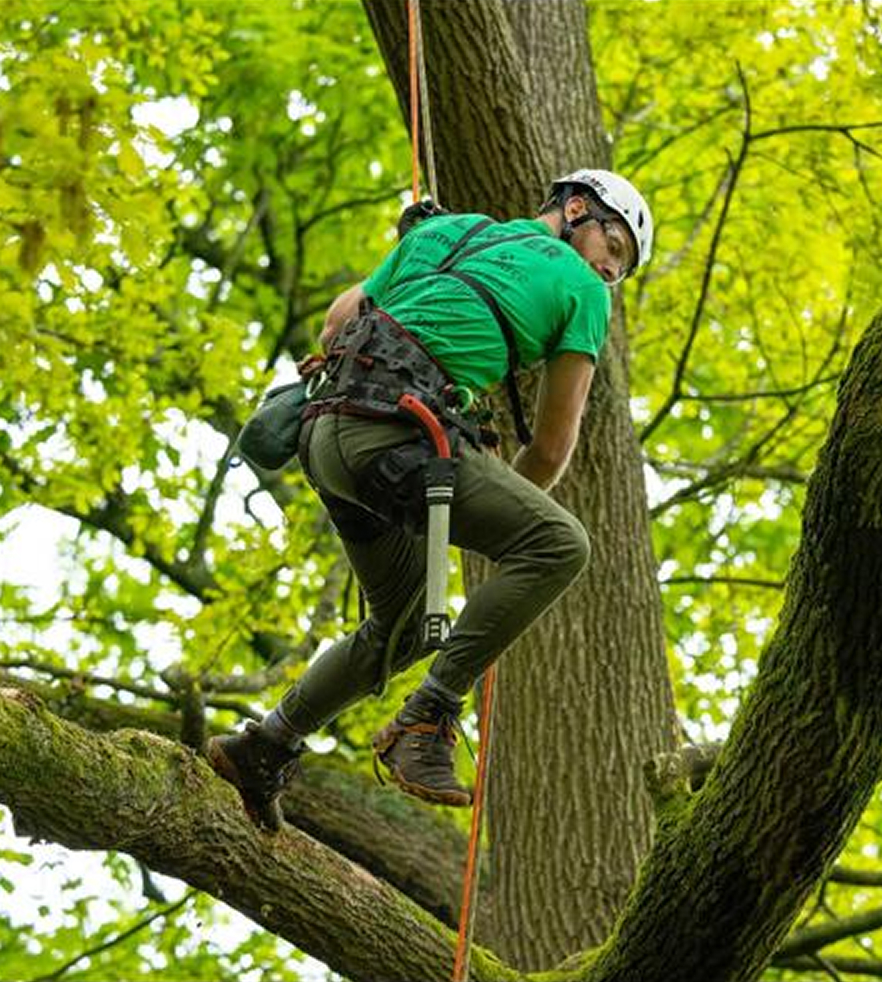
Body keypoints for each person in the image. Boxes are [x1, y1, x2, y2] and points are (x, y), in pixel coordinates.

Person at [208, 169, 654, 831]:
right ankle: (430, 716)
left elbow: (334, 327)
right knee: (559, 544)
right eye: (613, 245)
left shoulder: (443, 231)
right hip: (395, 439)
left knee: (408, 627)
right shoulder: (583, 290)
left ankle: (266, 746)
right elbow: (551, 448)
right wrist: (503, 525)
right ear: (576, 209)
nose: (611, 269)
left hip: (327, 439)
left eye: (622, 266)